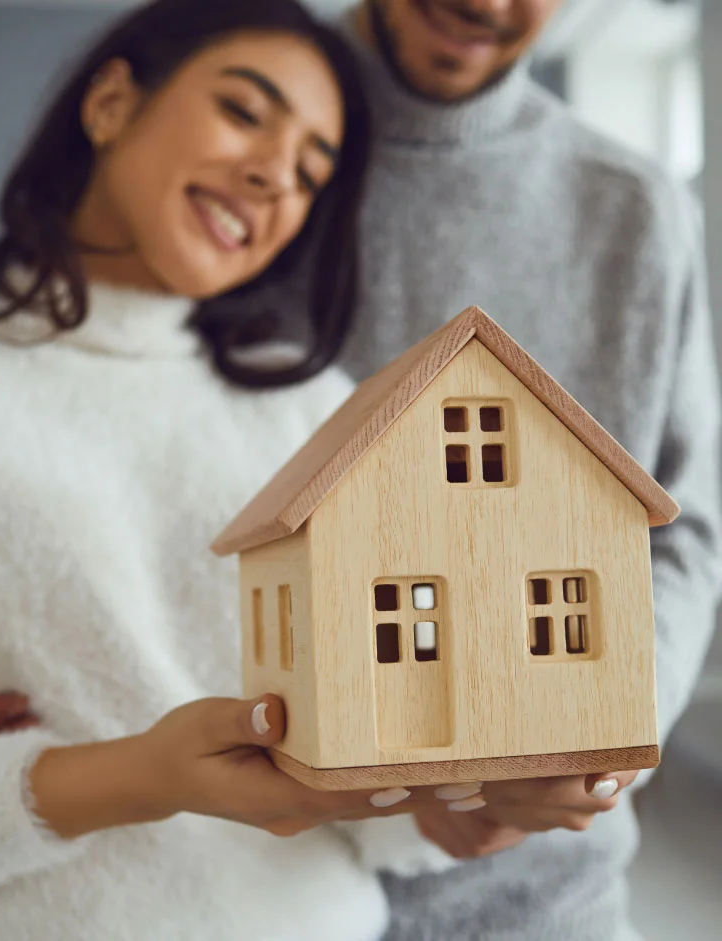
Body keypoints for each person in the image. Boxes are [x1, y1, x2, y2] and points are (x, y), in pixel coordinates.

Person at [0, 1, 472, 937]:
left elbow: (399, 781)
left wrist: (471, 806)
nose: (276, 174)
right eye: (244, 112)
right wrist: (130, 777)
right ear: (111, 101)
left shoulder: (316, 415)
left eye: (313, 173)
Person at [301, 2, 719, 940]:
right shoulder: (242, 155)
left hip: (545, 902)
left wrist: (596, 750)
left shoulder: (635, 211)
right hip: (252, 877)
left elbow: (681, 529)